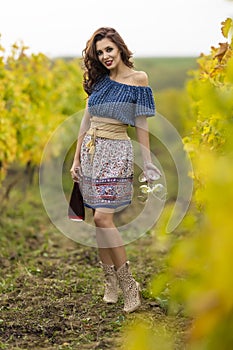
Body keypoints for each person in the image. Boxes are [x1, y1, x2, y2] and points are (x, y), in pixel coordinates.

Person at [70, 27, 161, 313]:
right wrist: (75, 160)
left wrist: (147, 162)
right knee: (97, 221)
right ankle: (109, 282)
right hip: (91, 153)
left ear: (120, 48)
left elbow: (142, 124)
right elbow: (85, 124)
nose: (105, 56)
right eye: (99, 52)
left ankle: (129, 285)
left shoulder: (138, 79)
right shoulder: (98, 82)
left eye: (109, 49)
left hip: (117, 152)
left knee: (103, 218)